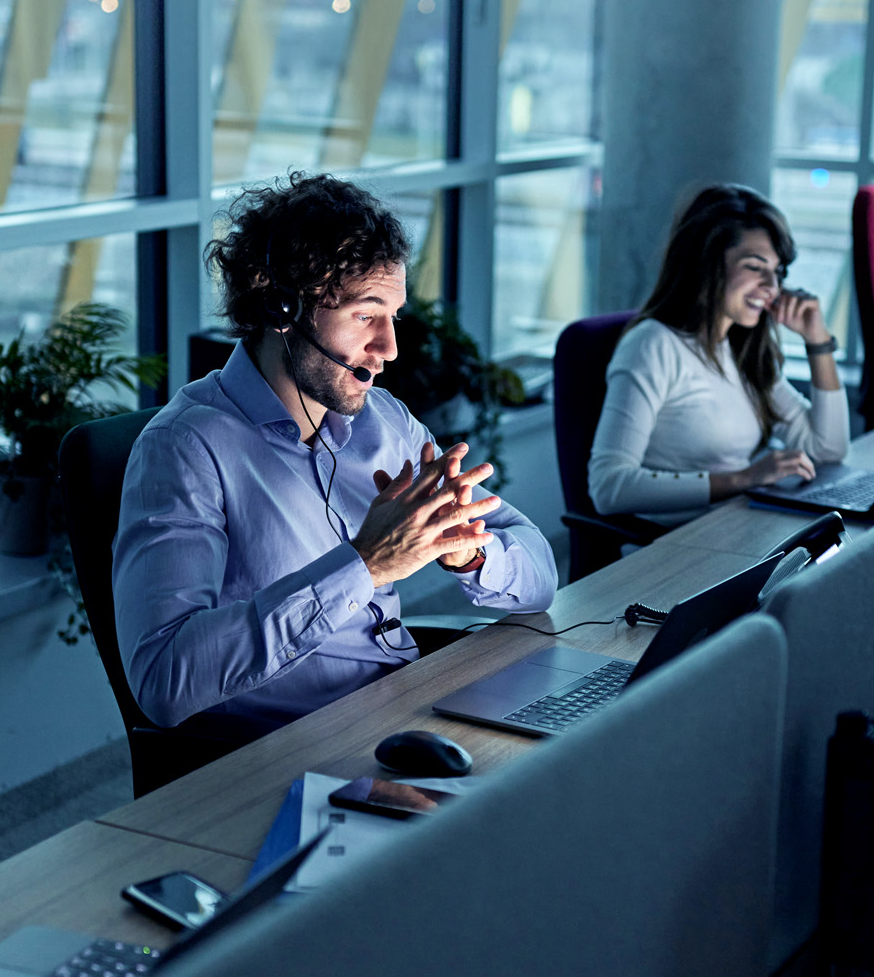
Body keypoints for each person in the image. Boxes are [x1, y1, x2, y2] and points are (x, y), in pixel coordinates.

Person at [113, 173, 556, 735]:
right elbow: (163, 681)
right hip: (294, 752)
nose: (389, 348)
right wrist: (366, 566)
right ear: (281, 307)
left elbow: (539, 574)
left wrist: (467, 554)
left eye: (393, 316)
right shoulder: (185, 448)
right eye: (365, 315)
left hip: (404, 714)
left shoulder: (386, 422)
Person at [588, 184, 849, 523]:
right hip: (676, 550)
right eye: (756, 267)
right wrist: (743, 479)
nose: (772, 286)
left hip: (738, 530)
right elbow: (608, 487)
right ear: (708, 263)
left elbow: (828, 449)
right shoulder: (653, 345)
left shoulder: (744, 349)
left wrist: (818, 341)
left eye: (778, 271)